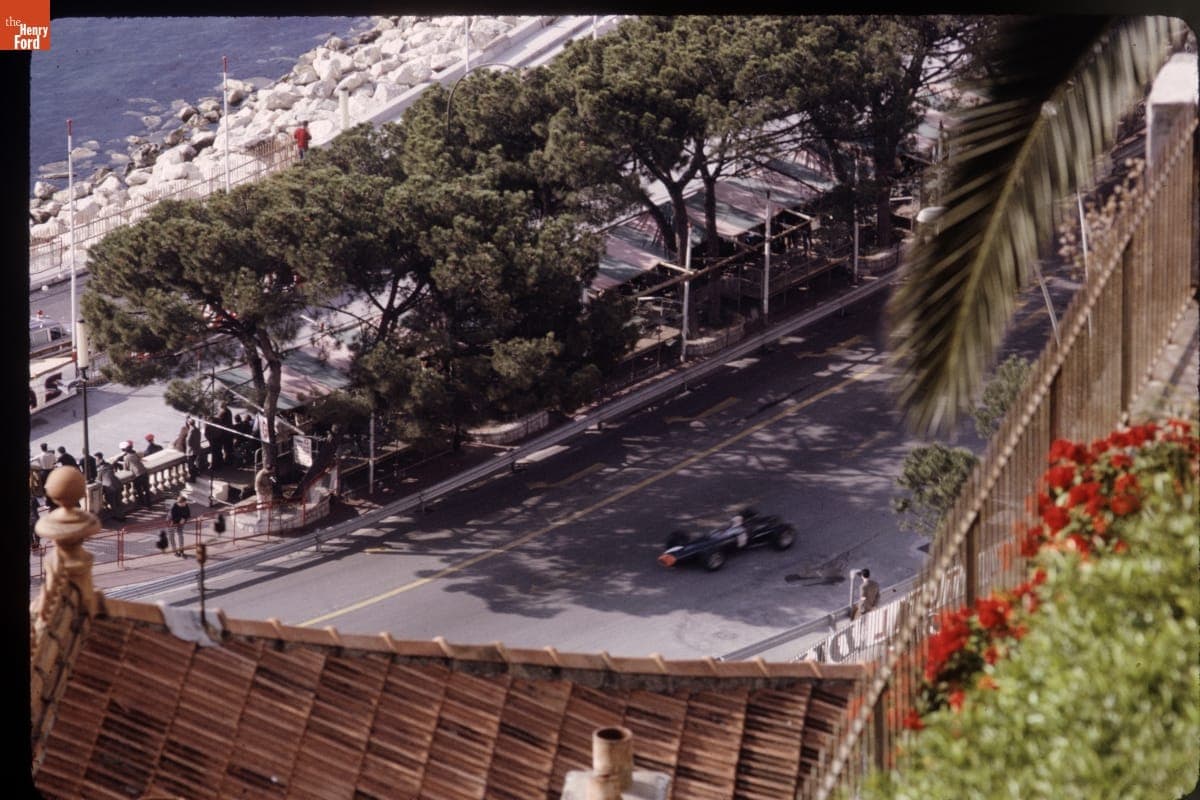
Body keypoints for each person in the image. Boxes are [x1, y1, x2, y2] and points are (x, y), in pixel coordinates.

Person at [95, 453, 126, 521]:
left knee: (113, 503)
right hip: (117, 484)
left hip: (110, 487)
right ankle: (122, 515)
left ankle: (119, 517)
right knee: (119, 501)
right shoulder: (109, 466)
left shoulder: (100, 470)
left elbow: (98, 480)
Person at [121, 442, 151, 507]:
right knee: (146, 489)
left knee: (139, 490)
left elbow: (125, 468)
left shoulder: (126, 457)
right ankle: (149, 504)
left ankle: (142, 504)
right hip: (144, 472)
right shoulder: (135, 454)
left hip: (138, 475)